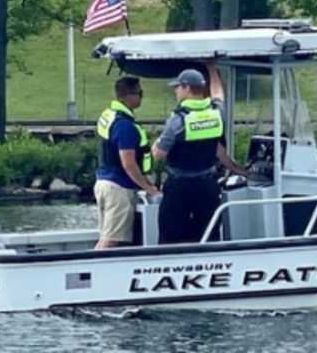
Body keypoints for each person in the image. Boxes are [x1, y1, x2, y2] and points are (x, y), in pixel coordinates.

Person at [152, 63, 247, 244]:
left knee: (171, 234)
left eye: (178, 87)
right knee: (208, 233)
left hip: (179, 187)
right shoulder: (216, 112)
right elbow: (219, 93)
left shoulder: (178, 120)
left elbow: (158, 154)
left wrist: (154, 144)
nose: (176, 91)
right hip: (207, 187)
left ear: (187, 88)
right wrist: (212, 67)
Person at [94, 76, 161, 249]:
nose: (141, 98)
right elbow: (129, 163)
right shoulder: (125, 126)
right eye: (140, 93)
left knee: (109, 235)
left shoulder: (109, 115)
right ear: (129, 96)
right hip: (118, 188)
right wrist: (150, 189)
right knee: (111, 239)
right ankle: (91, 270)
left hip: (104, 182)